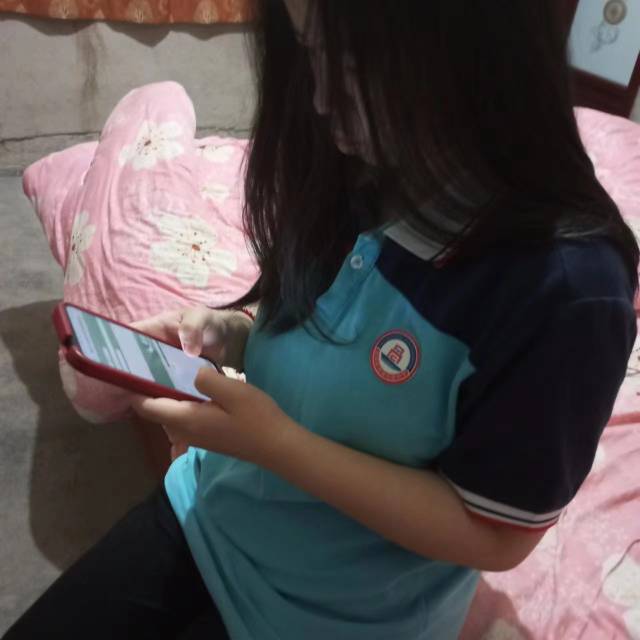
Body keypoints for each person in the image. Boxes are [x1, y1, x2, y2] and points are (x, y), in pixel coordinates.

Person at [5, 1, 638, 639]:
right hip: (208, 508)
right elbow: (317, 320)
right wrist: (231, 333)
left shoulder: (568, 290)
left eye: (354, 65)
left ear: (478, 53)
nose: (320, 97)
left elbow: (495, 536)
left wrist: (276, 445)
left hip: (336, 617)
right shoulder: (358, 168)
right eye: (310, 52)